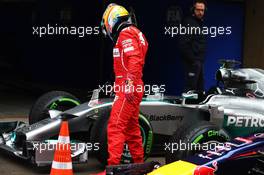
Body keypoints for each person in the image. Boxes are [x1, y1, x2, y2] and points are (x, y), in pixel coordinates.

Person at [95, 3, 148, 175]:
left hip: (129, 87)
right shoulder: (136, 33)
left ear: (112, 20)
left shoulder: (126, 34)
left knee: (116, 126)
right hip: (132, 86)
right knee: (132, 129)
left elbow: (134, 59)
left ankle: (111, 169)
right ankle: (140, 166)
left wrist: (129, 83)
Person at [179, 0, 207, 93]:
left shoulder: (199, 23)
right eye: (198, 10)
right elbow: (183, 44)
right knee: (190, 89)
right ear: (193, 10)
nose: (200, 12)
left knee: (200, 89)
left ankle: (198, 106)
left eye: (202, 10)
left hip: (198, 61)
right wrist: (193, 60)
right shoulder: (189, 23)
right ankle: (185, 107)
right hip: (193, 62)